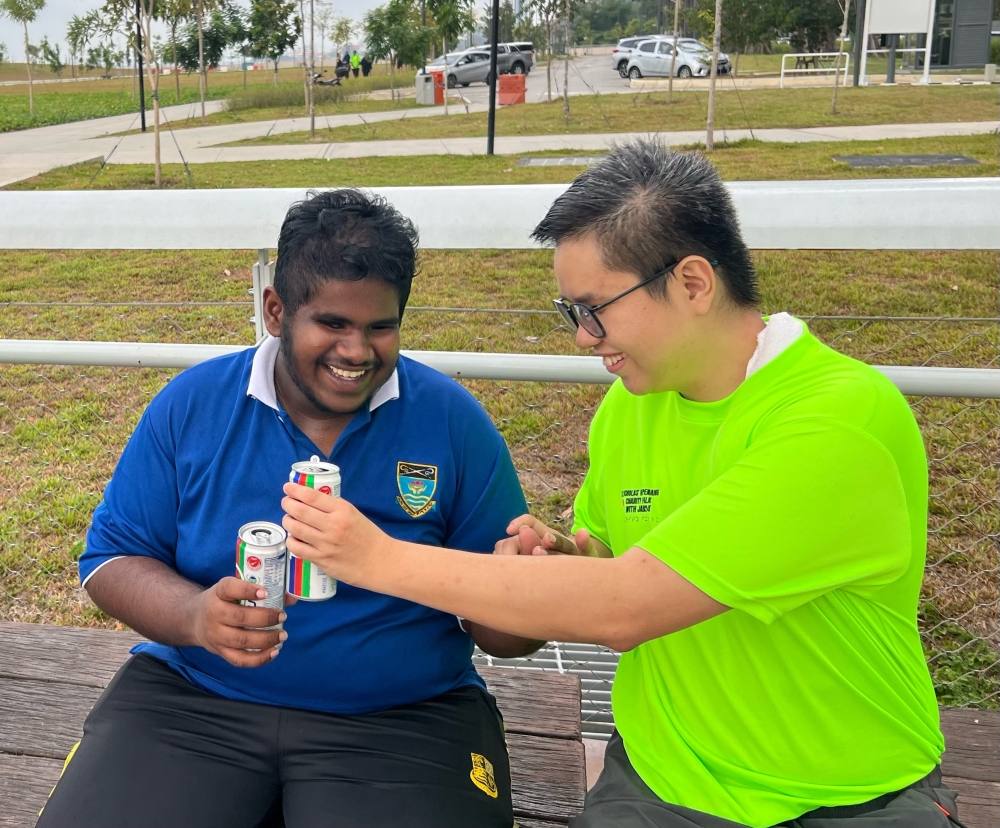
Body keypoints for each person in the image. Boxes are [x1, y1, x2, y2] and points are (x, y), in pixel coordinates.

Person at [280, 142, 958, 828]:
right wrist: (572, 560)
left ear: (694, 283)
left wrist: (375, 557)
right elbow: (616, 569)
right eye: (570, 310)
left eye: (595, 308)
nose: (582, 337)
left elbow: (628, 606)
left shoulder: (838, 420)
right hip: (662, 781)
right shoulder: (634, 402)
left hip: (845, 798)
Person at [37, 189, 538, 828]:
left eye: (380, 326)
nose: (358, 352)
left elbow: (508, 636)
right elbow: (110, 559)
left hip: (403, 713)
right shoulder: (192, 405)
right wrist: (194, 617)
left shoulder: (452, 422)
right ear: (276, 309)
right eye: (332, 324)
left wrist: (525, 586)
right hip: (196, 698)